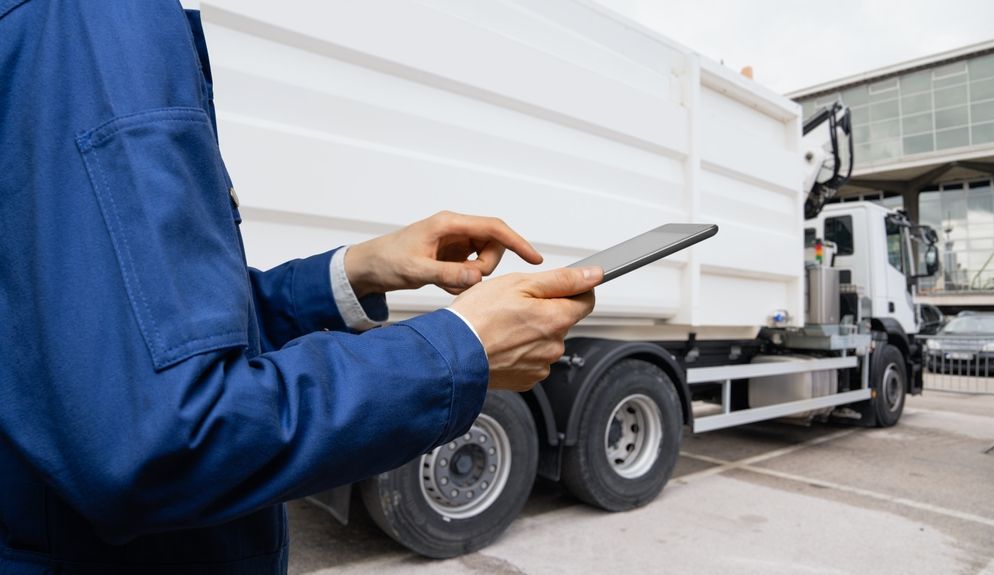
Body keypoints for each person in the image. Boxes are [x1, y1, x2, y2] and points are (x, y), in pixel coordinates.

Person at [0, 2, 601, 574]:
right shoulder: (93, 20)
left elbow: (127, 339)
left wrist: (352, 272)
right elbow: (166, 439)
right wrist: (459, 350)